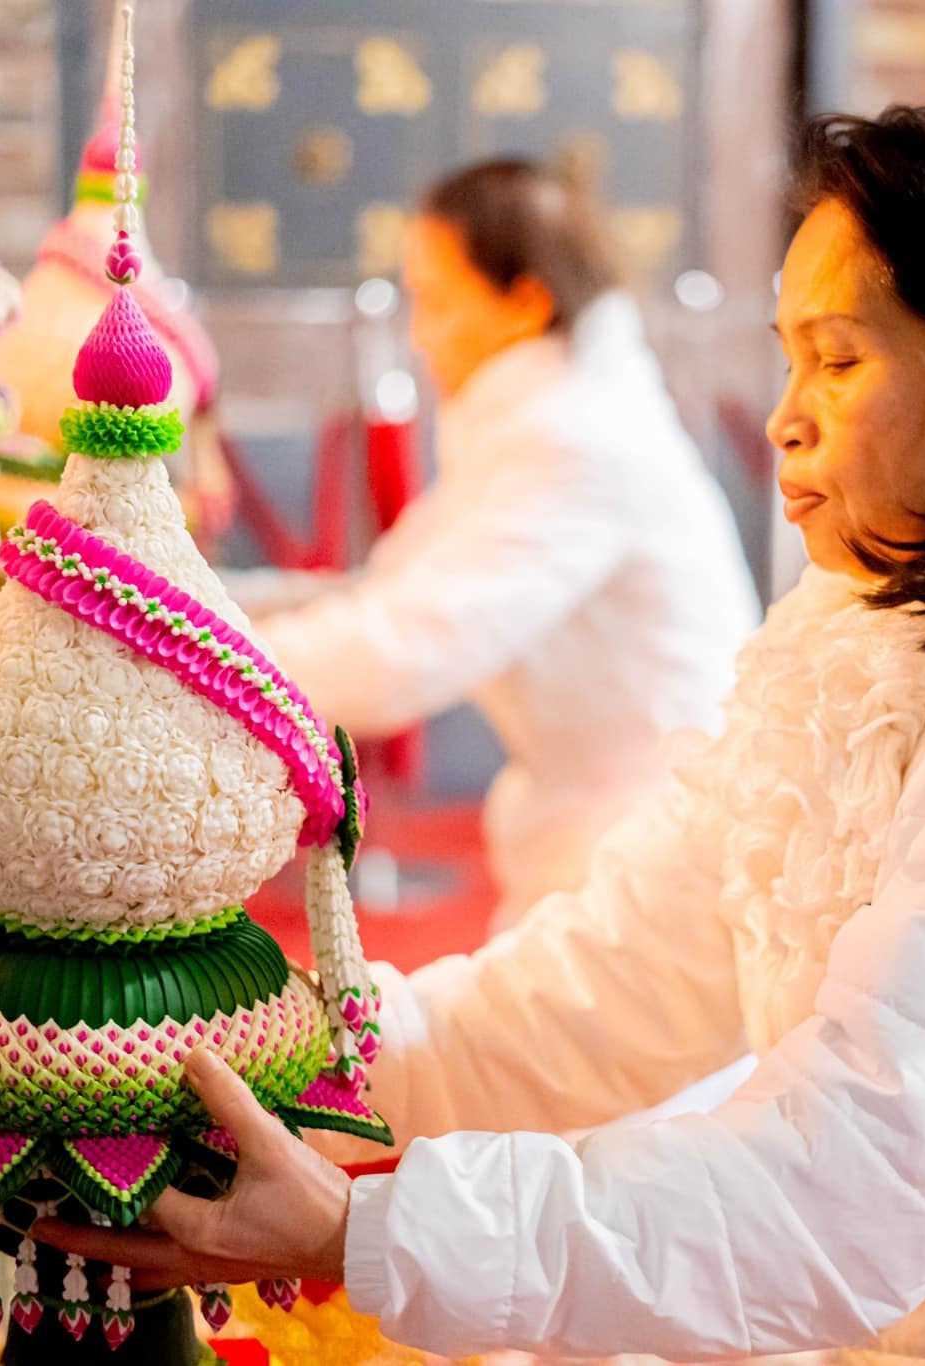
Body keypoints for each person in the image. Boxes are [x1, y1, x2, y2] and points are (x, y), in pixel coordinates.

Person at [42, 107, 925, 1364]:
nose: (788, 422)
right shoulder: (860, 624)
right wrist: (273, 1052)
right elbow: (609, 988)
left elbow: (846, 1184)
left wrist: (372, 1227)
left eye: (843, 363)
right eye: (786, 361)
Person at [244, 160, 761, 928]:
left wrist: (193, 656)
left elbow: (406, 647)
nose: (419, 336)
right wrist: (191, 610)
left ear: (525, 302)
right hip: (604, 835)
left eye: (437, 301)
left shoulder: (577, 438)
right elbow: (387, 593)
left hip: (647, 851)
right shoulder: (551, 416)